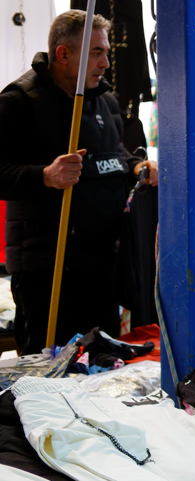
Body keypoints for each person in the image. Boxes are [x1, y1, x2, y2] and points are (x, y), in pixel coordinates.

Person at [0, 10, 158, 354]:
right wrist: (44, 176)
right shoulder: (19, 102)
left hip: (102, 268)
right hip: (48, 271)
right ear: (63, 54)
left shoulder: (105, 100)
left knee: (104, 370)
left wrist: (136, 167)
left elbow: (113, 155)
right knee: (50, 380)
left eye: (106, 53)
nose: (105, 63)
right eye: (96, 53)